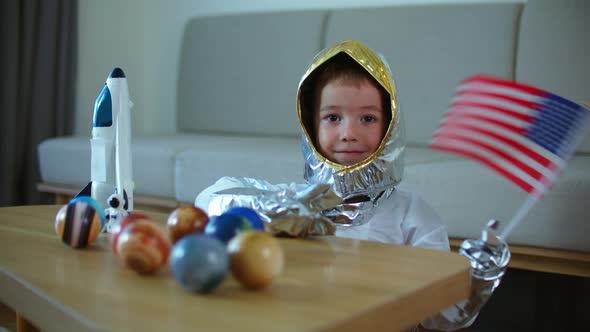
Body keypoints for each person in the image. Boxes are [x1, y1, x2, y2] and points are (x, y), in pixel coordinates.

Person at [195, 39, 510, 331]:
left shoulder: (412, 215)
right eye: (333, 117)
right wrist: (271, 208)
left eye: (368, 119)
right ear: (310, 125)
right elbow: (207, 200)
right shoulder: (295, 202)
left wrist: (478, 279)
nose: (349, 133)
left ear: (390, 126)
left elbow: (441, 314)